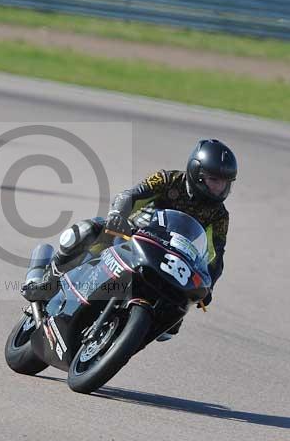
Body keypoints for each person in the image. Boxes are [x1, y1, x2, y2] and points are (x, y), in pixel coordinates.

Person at [22, 139, 237, 341]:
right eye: (214, 180)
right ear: (196, 172)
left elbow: (217, 255)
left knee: (173, 323)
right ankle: (47, 282)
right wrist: (117, 215)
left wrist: (209, 286)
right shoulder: (168, 179)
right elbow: (131, 195)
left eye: (225, 183)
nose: (220, 188)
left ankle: (124, 334)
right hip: (133, 236)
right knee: (86, 231)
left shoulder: (220, 215)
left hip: (170, 261)